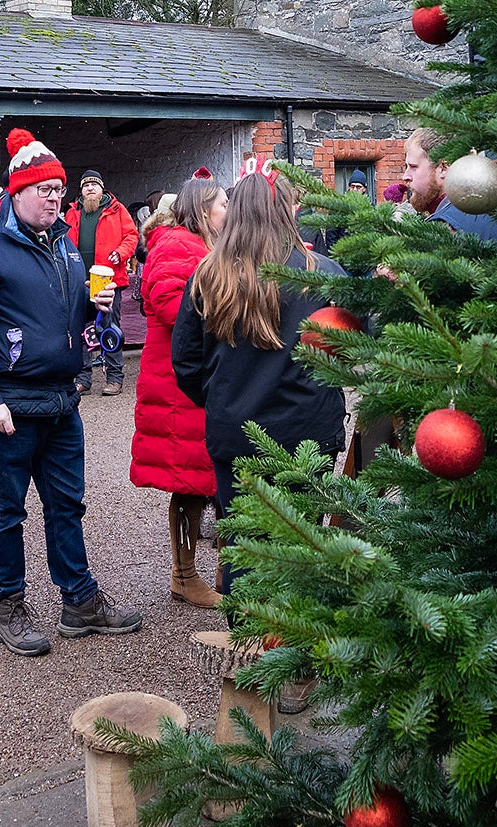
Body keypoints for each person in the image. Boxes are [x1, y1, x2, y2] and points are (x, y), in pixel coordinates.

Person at [0, 127, 141, 655]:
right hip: (11, 402)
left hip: (61, 398)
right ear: (17, 192)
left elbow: (61, 313)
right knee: (8, 508)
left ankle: (79, 599)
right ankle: (7, 605)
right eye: (45, 191)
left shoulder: (65, 244)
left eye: (60, 190)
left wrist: (92, 309)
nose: (56, 199)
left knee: (67, 504)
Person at [171, 171, 349, 589]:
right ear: (286, 210)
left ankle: (247, 642)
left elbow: (186, 364)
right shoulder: (319, 273)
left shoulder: (206, 275)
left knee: (245, 543)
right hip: (308, 428)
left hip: (238, 431)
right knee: (303, 539)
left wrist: (224, 401)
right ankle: (293, 644)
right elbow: (352, 343)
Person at [133, 173, 224, 607]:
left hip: (193, 378)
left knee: (209, 474)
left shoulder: (198, 245)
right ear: (204, 209)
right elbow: (174, 308)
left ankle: (224, 568)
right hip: (178, 383)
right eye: (223, 203)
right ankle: (184, 575)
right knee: (188, 480)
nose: (229, 211)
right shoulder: (177, 245)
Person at [66, 170, 140, 398]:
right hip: (79, 281)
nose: (89, 189)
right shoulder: (72, 212)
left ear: (101, 189)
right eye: (85, 185)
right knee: (80, 330)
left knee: (109, 328)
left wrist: (121, 252)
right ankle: (83, 378)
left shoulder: (117, 210)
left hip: (107, 280)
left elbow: (132, 236)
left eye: (93, 185)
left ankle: (115, 377)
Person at [404, 128, 497, 245]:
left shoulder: (445, 227)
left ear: (443, 169)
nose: (405, 176)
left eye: (413, 167)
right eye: (406, 167)